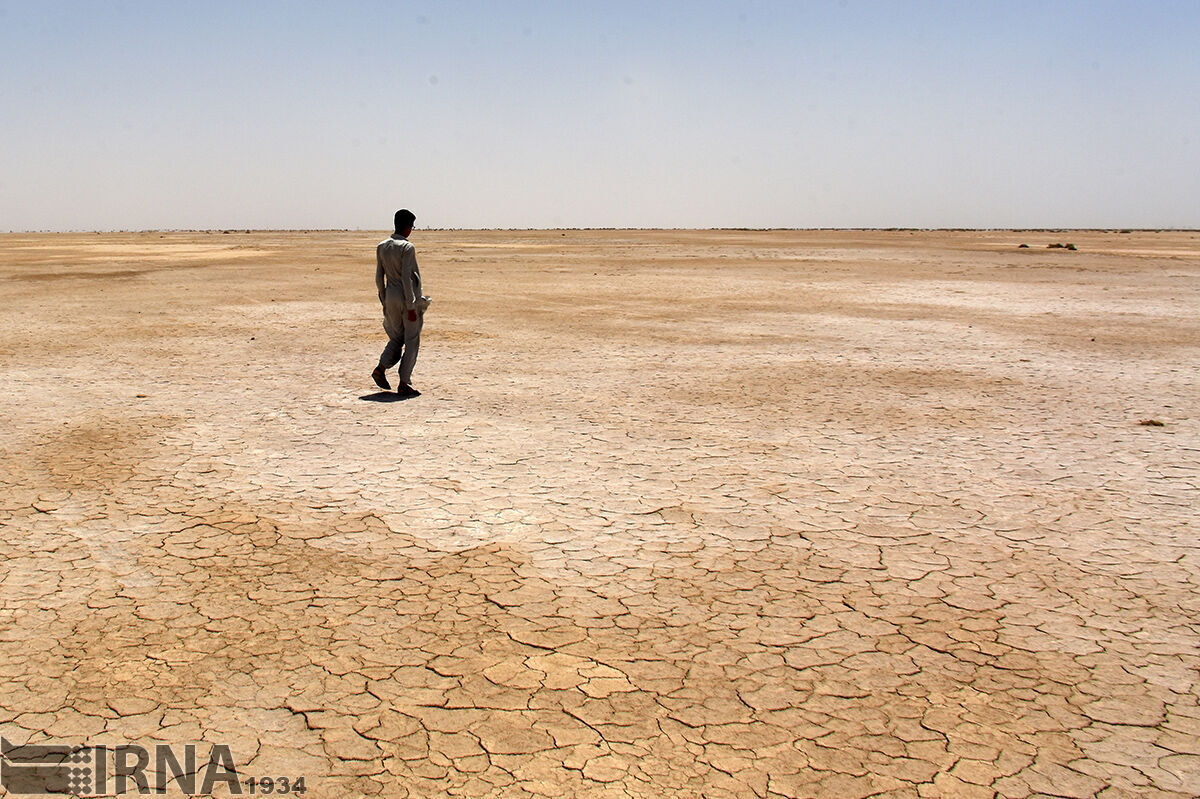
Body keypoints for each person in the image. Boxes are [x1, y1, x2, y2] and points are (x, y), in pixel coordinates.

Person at [372, 209, 428, 395]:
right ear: (407, 227)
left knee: (397, 337)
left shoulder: (382, 246)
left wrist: (384, 300)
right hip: (405, 298)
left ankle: (381, 368)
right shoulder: (407, 247)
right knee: (411, 340)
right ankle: (404, 383)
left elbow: (379, 277)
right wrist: (412, 305)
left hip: (390, 296)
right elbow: (406, 277)